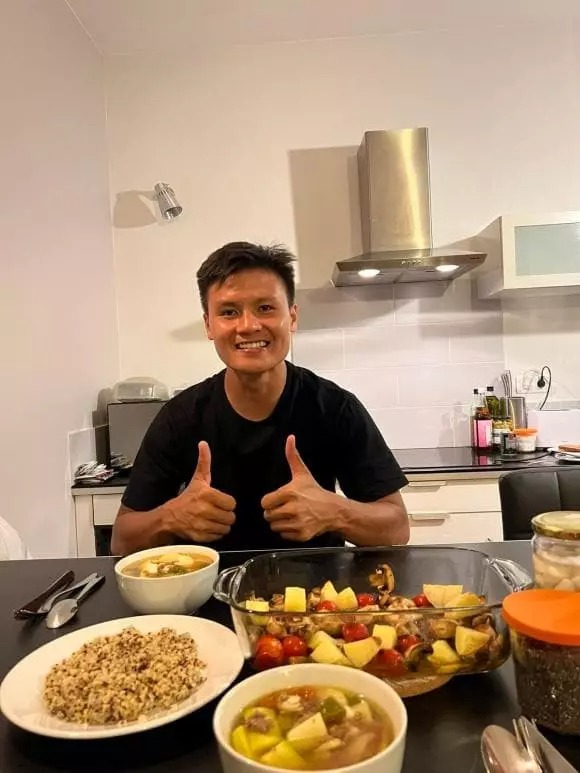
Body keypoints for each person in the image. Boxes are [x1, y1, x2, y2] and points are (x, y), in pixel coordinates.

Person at [111, 242, 409, 556]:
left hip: (317, 586)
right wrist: (170, 517)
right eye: (229, 312)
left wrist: (335, 511)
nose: (248, 326)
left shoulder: (335, 408)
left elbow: (397, 527)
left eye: (265, 308)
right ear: (209, 325)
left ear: (292, 317)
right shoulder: (180, 417)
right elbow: (122, 539)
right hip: (211, 586)